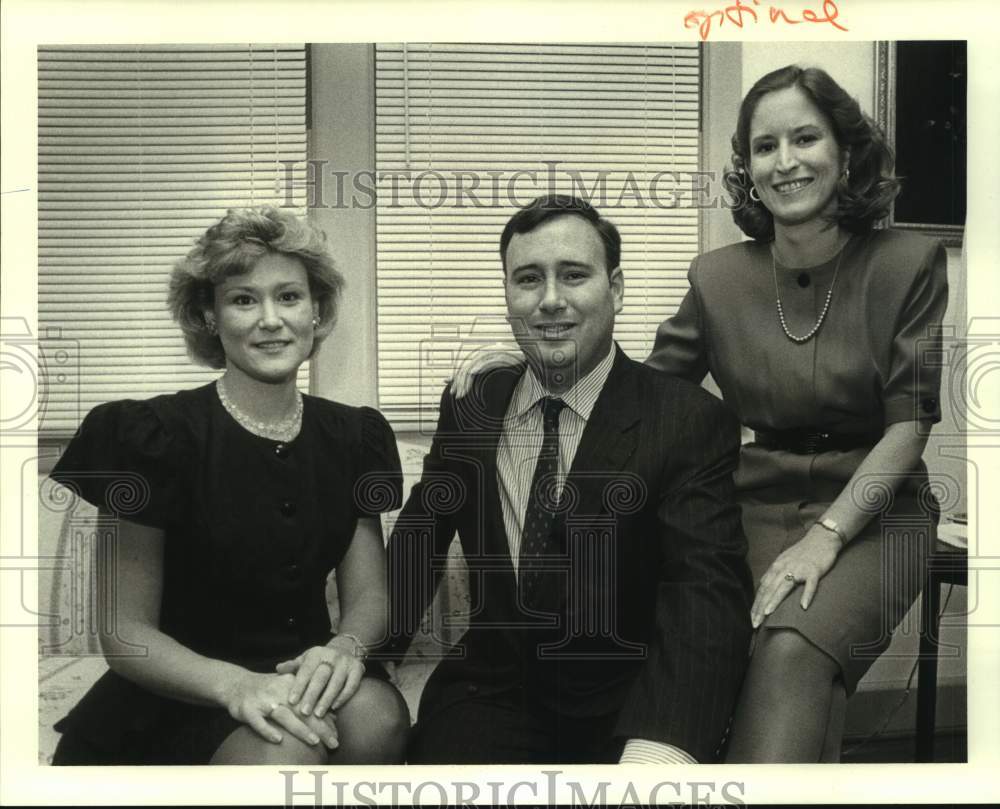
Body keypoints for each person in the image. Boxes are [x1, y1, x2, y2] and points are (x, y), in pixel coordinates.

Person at [450, 66, 949, 763]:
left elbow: (910, 424)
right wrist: (537, 350)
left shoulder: (910, 262)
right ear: (749, 167)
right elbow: (635, 394)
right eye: (765, 145)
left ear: (845, 150)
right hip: (753, 502)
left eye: (805, 137)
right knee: (718, 644)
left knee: (790, 650)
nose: (786, 161)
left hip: (874, 508)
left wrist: (826, 537)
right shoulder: (717, 277)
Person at [385, 194, 753, 764]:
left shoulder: (686, 421)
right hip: (492, 699)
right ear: (507, 296)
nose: (550, 300)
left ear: (618, 289)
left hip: (626, 707)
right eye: (528, 279)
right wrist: (355, 655)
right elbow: (417, 545)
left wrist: (665, 743)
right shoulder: (473, 404)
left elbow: (705, 593)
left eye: (574, 275)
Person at [48, 206, 410, 765]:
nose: (271, 320)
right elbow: (125, 634)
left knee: (378, 719)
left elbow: (368, 597)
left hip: (301, 672)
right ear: (210, 317)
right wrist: (237, 686)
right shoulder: (150, 436)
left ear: (317, 311)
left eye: (289, 297)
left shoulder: (355, 436)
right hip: (180, 689)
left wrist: (345, 647)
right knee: (287, 747)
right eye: (244, 299)